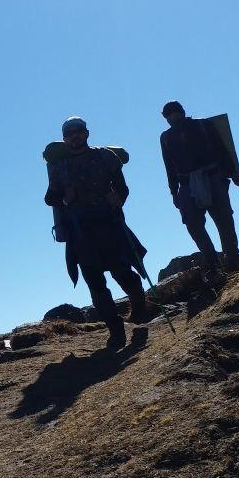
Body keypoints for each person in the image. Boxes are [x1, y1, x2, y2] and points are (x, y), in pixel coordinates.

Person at [45, 116, 148, 350]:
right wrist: (64, 198)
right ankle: (116, 331)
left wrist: (118, 199)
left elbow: (122, 187)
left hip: (109, 224)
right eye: (70, 134)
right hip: (81, 233)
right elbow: (49, 198)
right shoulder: (59, 167)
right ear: (64, 139)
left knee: (122, 273)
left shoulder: (105, 156)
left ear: (87, 133)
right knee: (95, 283)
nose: (75, 136)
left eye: (78, 132)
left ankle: (139, 308)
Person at [159, 100, 239, 277]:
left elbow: (221, 150)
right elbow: (169, 166)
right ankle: (212, 262)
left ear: (181, 112)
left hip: (212, 176)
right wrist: (174, 191)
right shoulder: (166, 137)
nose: (170, 117)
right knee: (193, 224)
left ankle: (232, 258)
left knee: (224, 218)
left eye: (172, 113)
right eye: (167, 115)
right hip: (186, 184)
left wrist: (233, 173)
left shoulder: (203, 125)